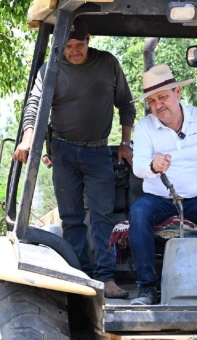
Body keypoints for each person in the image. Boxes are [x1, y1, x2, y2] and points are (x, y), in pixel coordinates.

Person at [13, 18, 136, 298]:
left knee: (103, 216)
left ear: (88, 40)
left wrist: (126, 143)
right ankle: (79, 276)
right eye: (67, 46)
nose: (73, 51)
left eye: (78, 45)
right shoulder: (51, 70)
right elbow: (35, 106)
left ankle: (106, 278)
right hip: (63, 150)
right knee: (72, 217)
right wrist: (28, 139)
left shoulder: (107, 64)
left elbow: (126, 105)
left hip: (98, 150)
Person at [129, 64, 197, 305]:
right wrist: (153, 165)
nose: (158, 105)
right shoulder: (145, 127)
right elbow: (138, 167)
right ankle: (147, 288)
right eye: (153, 100)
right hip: (159, 199)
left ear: (177, 93)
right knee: (138, 213)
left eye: (163, 97)